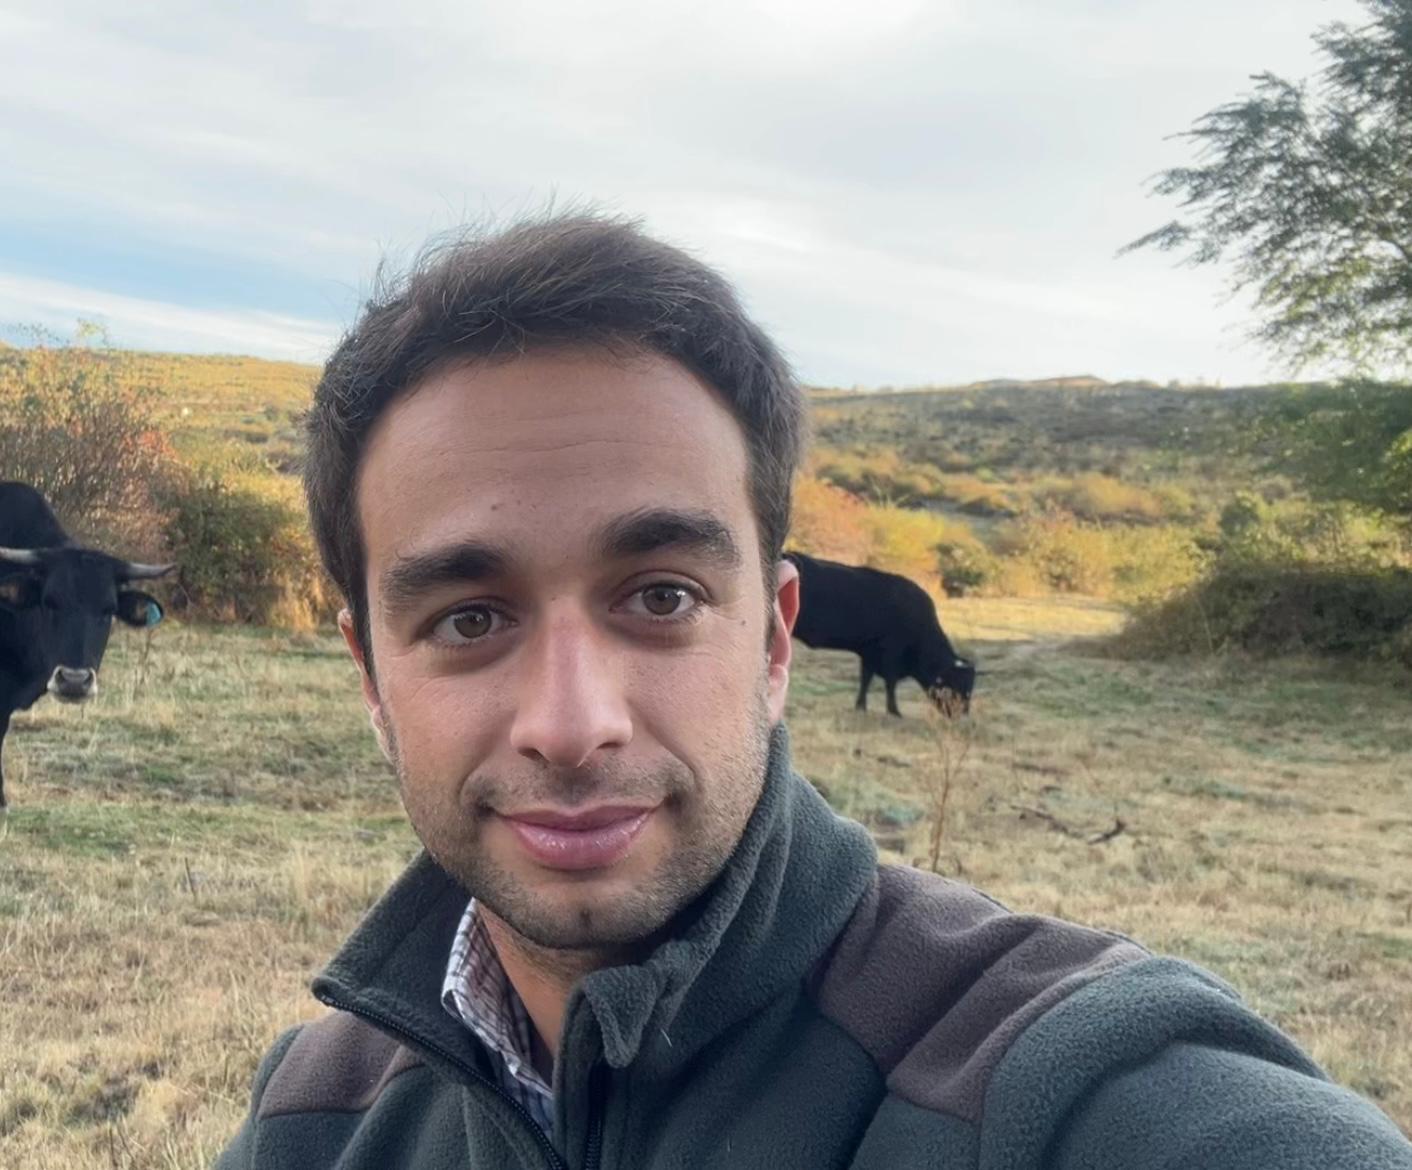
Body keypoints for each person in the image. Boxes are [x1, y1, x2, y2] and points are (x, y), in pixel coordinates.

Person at [217, 213, 1412, 1170]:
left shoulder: (1055, 1078)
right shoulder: (314, 1120)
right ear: (369, 677)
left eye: (661, 597)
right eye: (468, 620)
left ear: (776, 642)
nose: (573, 725)